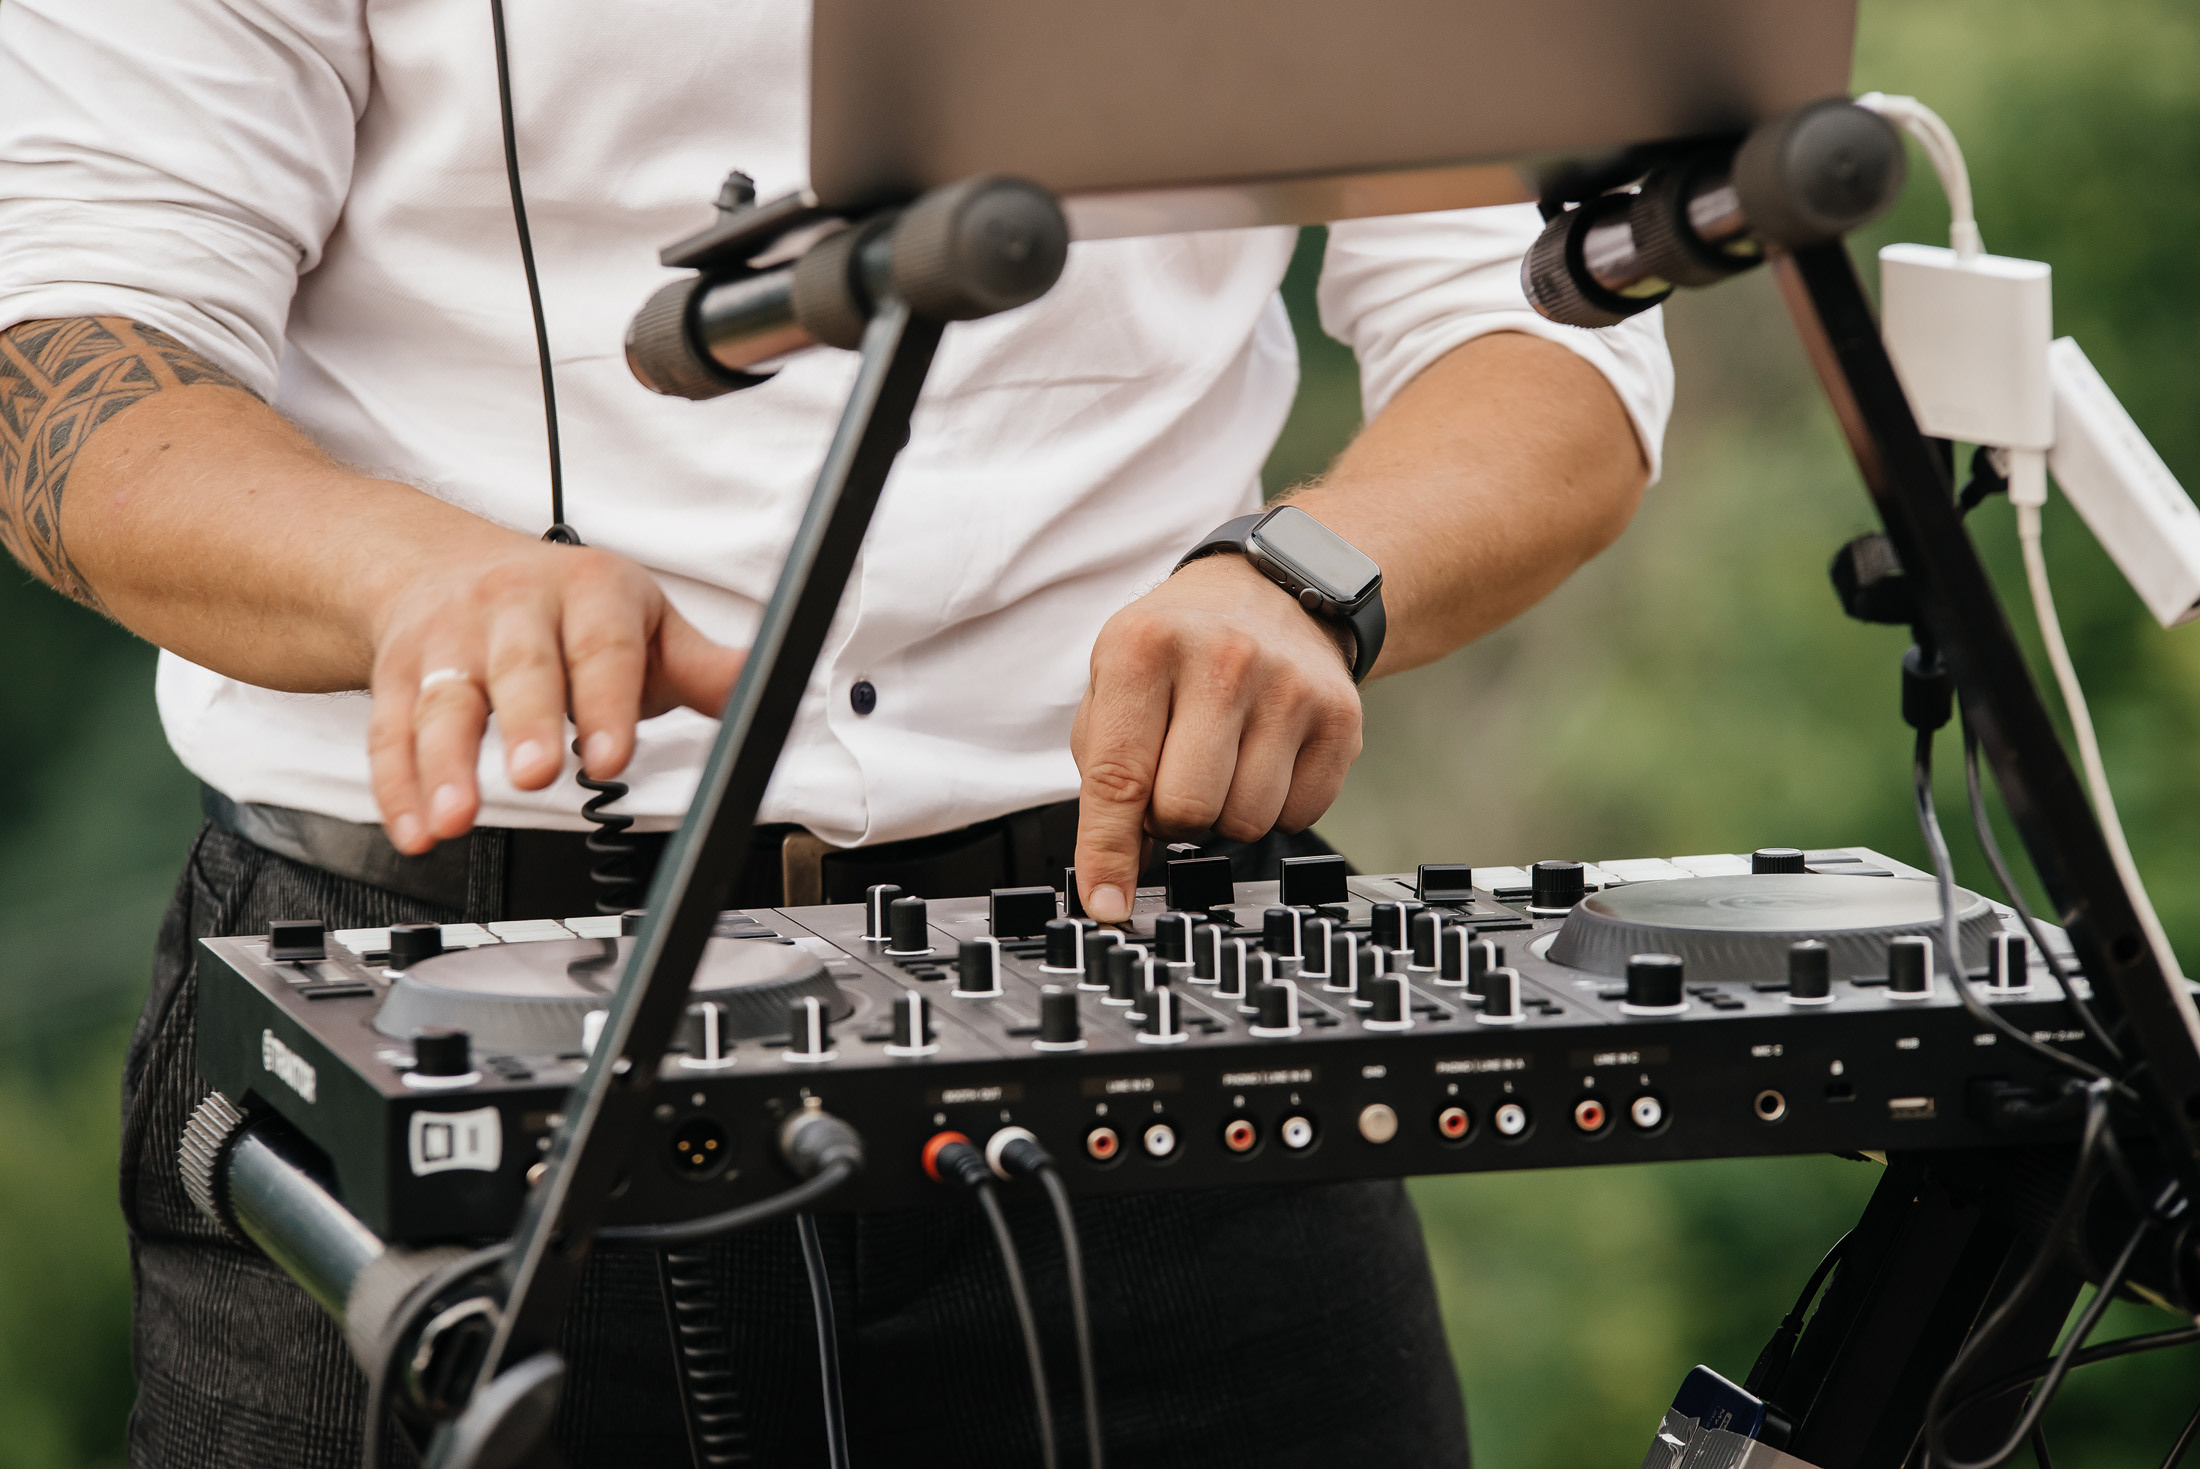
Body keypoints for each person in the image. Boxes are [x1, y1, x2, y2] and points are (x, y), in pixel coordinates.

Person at [0, 2, 1671, 1464]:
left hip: (1144, 976)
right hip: (432, 986)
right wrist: (412, 578)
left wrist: (1304, 578)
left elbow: (1543, 319)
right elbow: (65, 352)